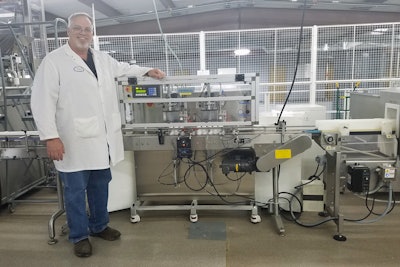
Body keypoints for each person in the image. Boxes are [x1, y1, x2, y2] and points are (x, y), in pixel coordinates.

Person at [31, 12, 165, 257]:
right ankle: (79, 236)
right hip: (72, 141)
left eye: (87, 29)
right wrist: (50, 137)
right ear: (68, 32)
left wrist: (147, 70)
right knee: (74, 192)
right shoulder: (54, 61)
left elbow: (124, 68)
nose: (83, 33)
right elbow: (41, 102)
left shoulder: (102, 58)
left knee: (100, 185)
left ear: (92, 33)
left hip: (101, 140)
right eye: (77, 29)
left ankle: (99, 225)